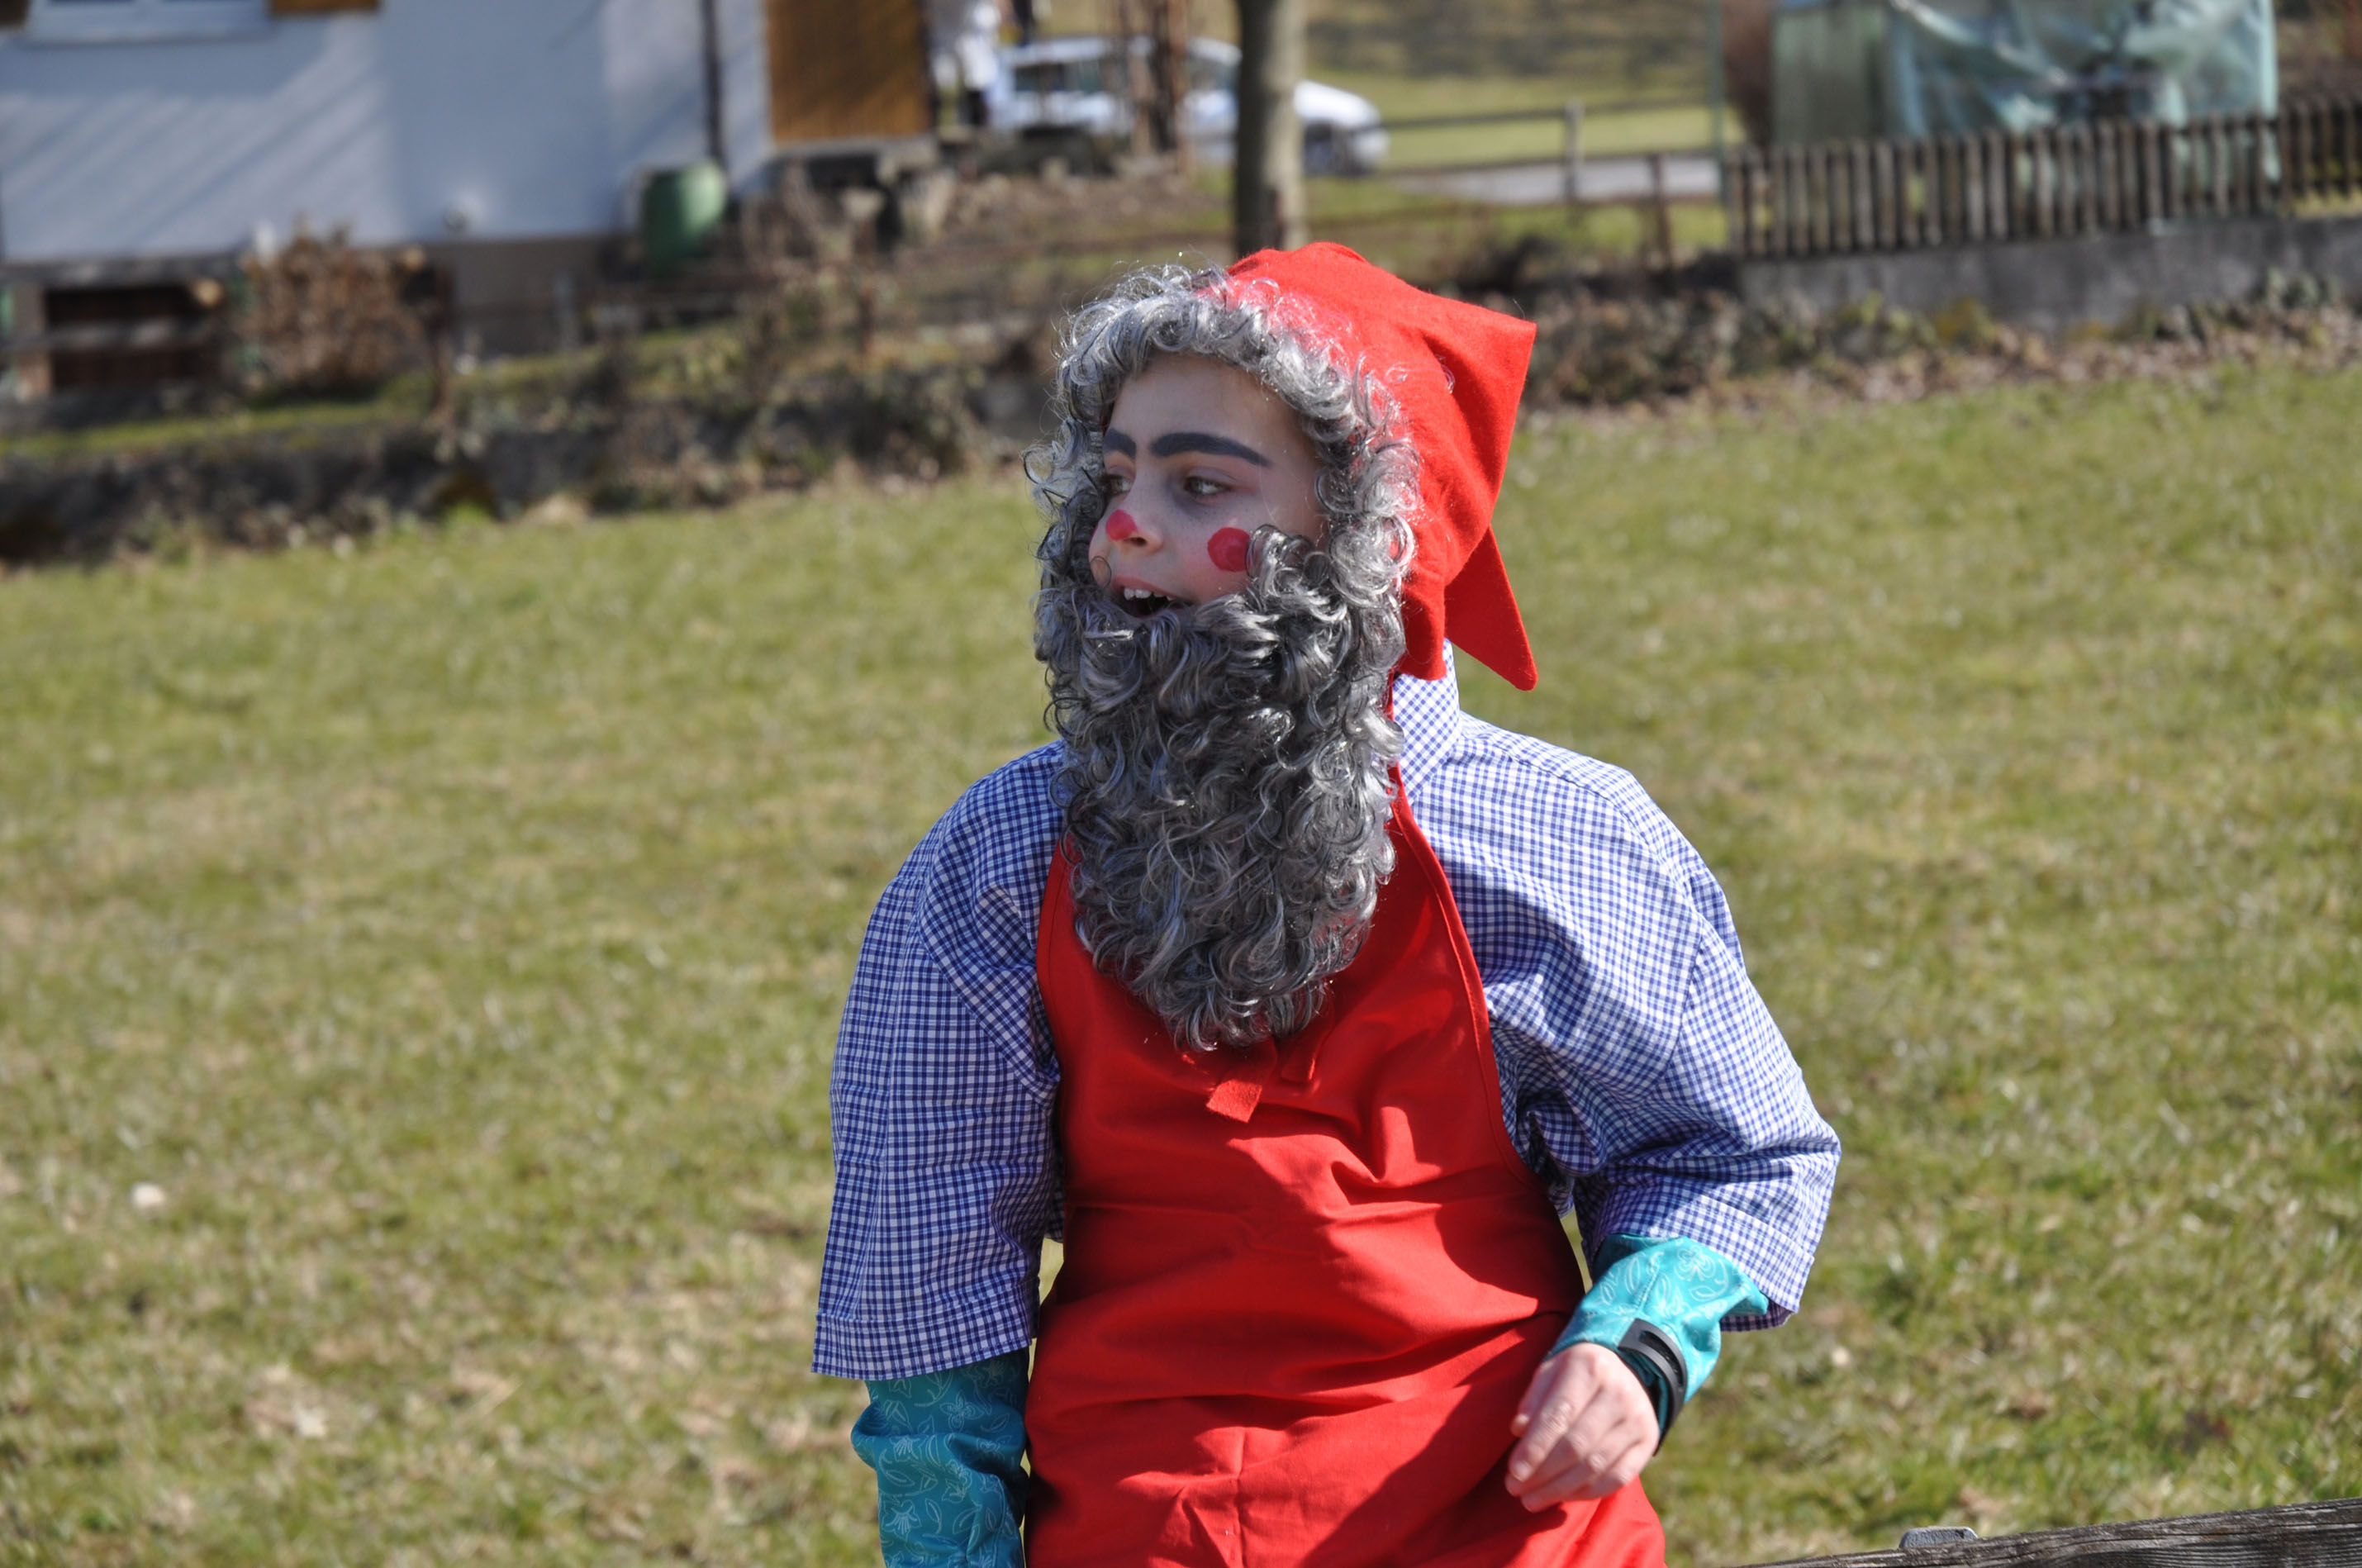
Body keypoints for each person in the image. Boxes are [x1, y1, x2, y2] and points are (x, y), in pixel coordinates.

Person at [815, 244, 1840, 1568]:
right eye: (1117, 477)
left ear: (1372, 528)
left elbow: (1727, 1150)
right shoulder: (998, 864)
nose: (1123, 527)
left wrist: (1640, 1342)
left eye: (1200, 484)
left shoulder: (1557, 839)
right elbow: (931, 1282)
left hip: (1508, 1537)